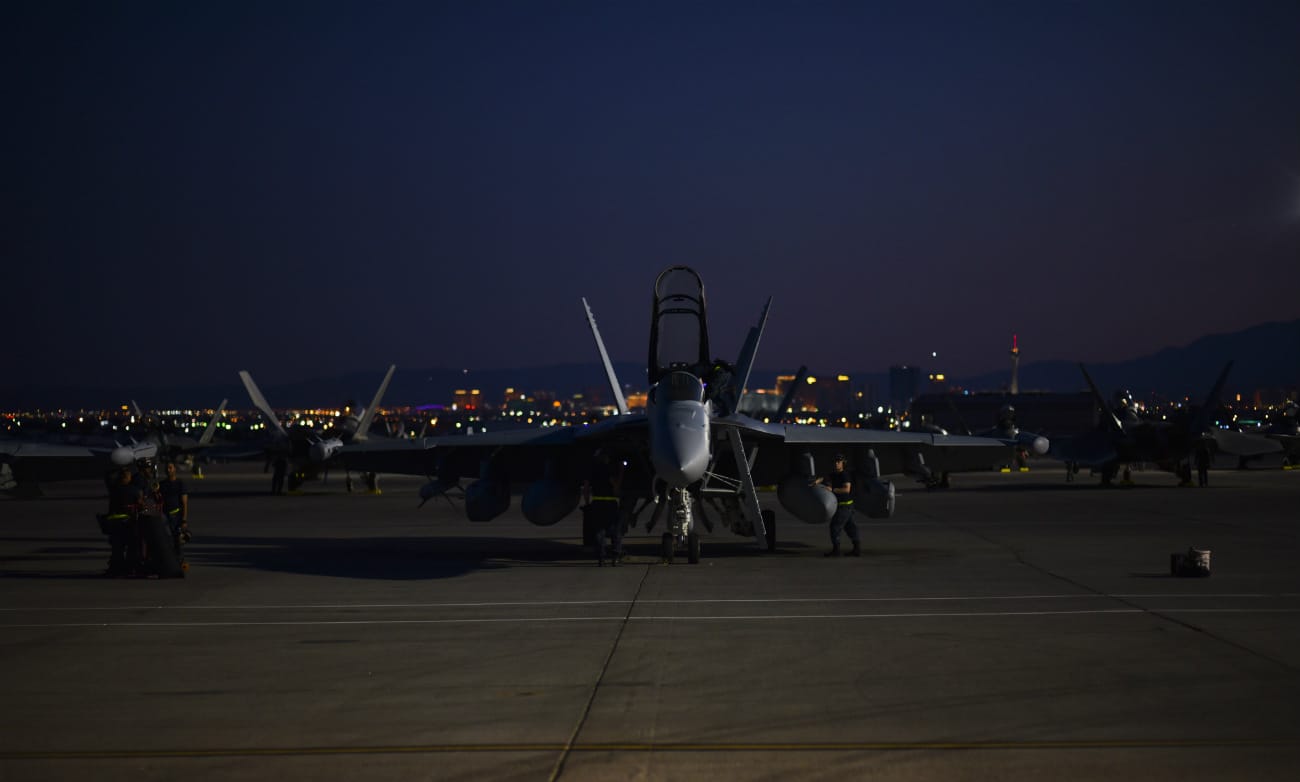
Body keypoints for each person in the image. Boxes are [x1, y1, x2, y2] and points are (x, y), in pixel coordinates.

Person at [583, 450, 624, 566]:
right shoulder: (609, 470)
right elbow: (615, 487)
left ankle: (601, 557)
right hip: (610, 504)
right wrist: (621, 472)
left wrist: (587, 503)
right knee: (616, 531)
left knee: (599, 531)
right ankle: (615, 556)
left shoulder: (591, 470)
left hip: (597, 503)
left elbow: (586, 488)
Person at [815, 453, 860, 557]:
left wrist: (833, 489)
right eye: (835, 462)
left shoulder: (845, 475)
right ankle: (857, 549)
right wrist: (816, 481)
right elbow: (825, 478)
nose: (836, 464)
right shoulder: (835, 474)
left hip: (844, 506)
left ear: (843, 463)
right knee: (850, 527)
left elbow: (846, 489)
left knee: (835, 527)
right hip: (847, 506)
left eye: (838, 462)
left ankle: (836, 550)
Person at [103, 466, 144, 576]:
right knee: (132, 548)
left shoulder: (114, 490)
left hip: (116, 524)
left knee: (117, 548)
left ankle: (116, 568)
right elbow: (141, 506)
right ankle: (130, 568)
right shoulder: (134, 490)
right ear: (128, 478)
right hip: (130, 523)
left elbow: (111, 508)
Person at [158, 461, 190, 547]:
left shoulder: (180, 483)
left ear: (175, 469)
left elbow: (184, 503)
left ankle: (180, 559)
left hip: (176, 516)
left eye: (170, 468)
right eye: (166, 468)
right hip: (164, 517)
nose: (168, 470)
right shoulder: (161, 484)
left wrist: (184, 520)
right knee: (167, 541)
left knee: (178, 541)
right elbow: (158, 501)